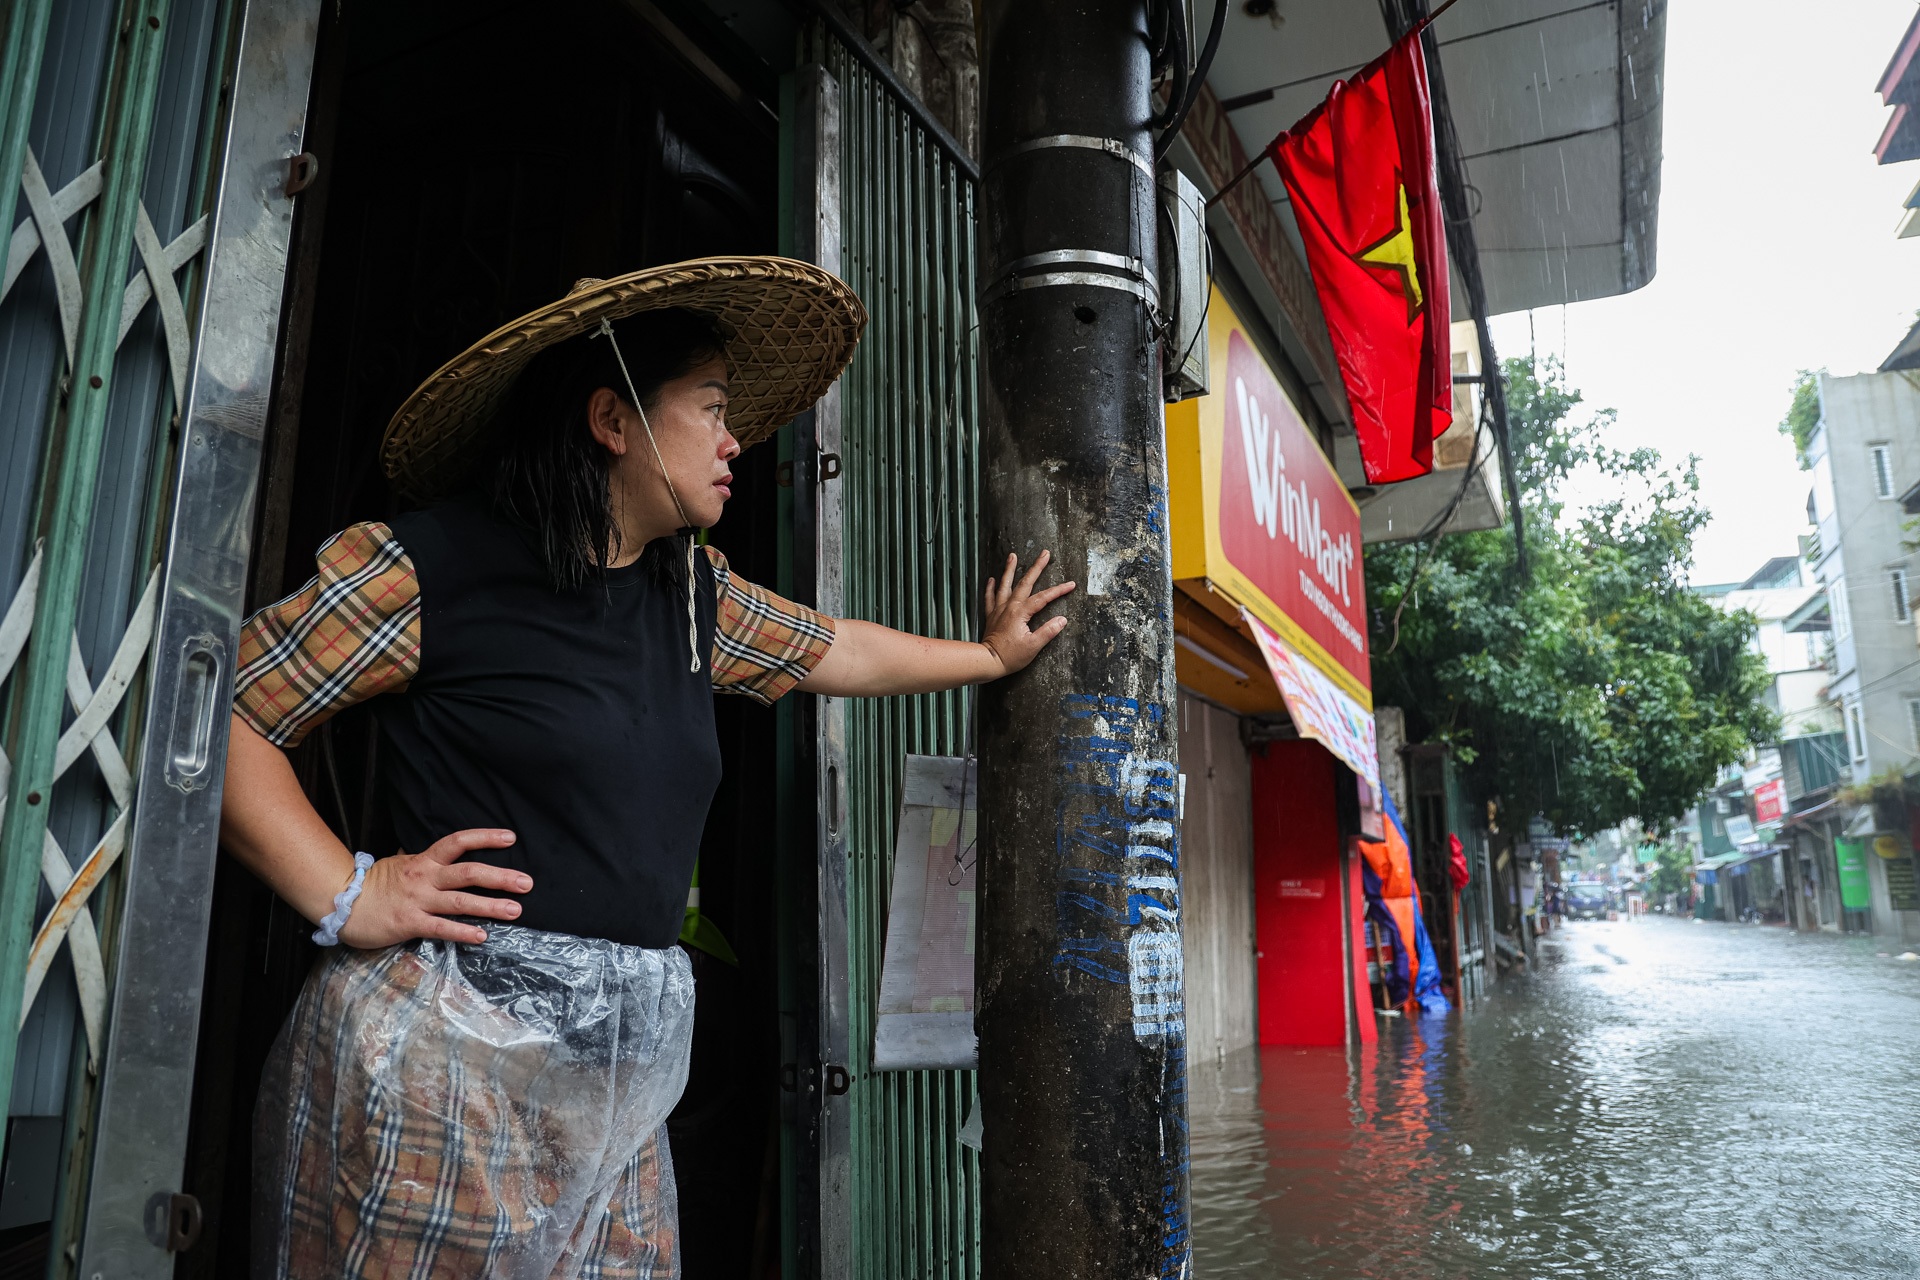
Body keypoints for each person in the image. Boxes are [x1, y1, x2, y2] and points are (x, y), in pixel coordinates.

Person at [220, 258, 1073, 1279]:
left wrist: (989, 658)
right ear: (612, 421)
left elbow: (831, 648)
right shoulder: (426, 568)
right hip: (446, 1068)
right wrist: (349, 888)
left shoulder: (691, 594)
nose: (735, 441)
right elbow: (223, 712)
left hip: (616, 1088)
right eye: (710, 409)